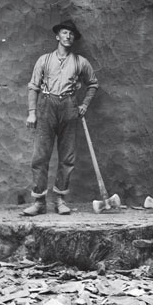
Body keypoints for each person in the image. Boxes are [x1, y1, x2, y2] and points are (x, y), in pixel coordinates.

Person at [23, 19, 99, 216]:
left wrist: (84, 105)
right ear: (57, 36)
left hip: (69, 107)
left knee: (67, 157)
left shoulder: (80, 62)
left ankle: (60, 200)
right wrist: (32, 113)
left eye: (71, 34)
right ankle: (39, 202)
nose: (68, 36)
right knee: (40, 156)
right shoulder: (44, 60)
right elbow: (33, 86)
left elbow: (93, 84)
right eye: (64, 33)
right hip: (46, 106)